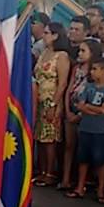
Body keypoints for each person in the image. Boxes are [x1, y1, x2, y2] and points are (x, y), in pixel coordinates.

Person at [67, 56, 104, 202]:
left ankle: (100, 190)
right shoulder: (88, 86)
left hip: (100, 130)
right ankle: (80, 187)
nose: (92, 72)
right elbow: (80, 105)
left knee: (100, 160)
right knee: (83, 158)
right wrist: (93, 109)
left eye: (95, 69)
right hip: (85, 127)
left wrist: (88, 107)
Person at [32, 22, 70, 187]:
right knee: (40, 137)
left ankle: (50, 172)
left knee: (49, 139)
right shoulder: (45, 53)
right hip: (39, 98)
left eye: (47, 33)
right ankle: (41, 171)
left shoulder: (61, 56)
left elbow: (62, 83)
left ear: (55, 35)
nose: (44, 36)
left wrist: (54, 104)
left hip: (51, 99)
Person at [60, 34, 99, 190]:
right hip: (71, 108)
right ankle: (65, 179)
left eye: (83, 51)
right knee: (69, 145)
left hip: (85, 112)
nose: (80, 53)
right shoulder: (76, 68)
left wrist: (79, 115)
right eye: (80, 50)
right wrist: (67, 109)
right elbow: (69, 88)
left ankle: (80, 181)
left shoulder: (95, 71)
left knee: (82, 148)